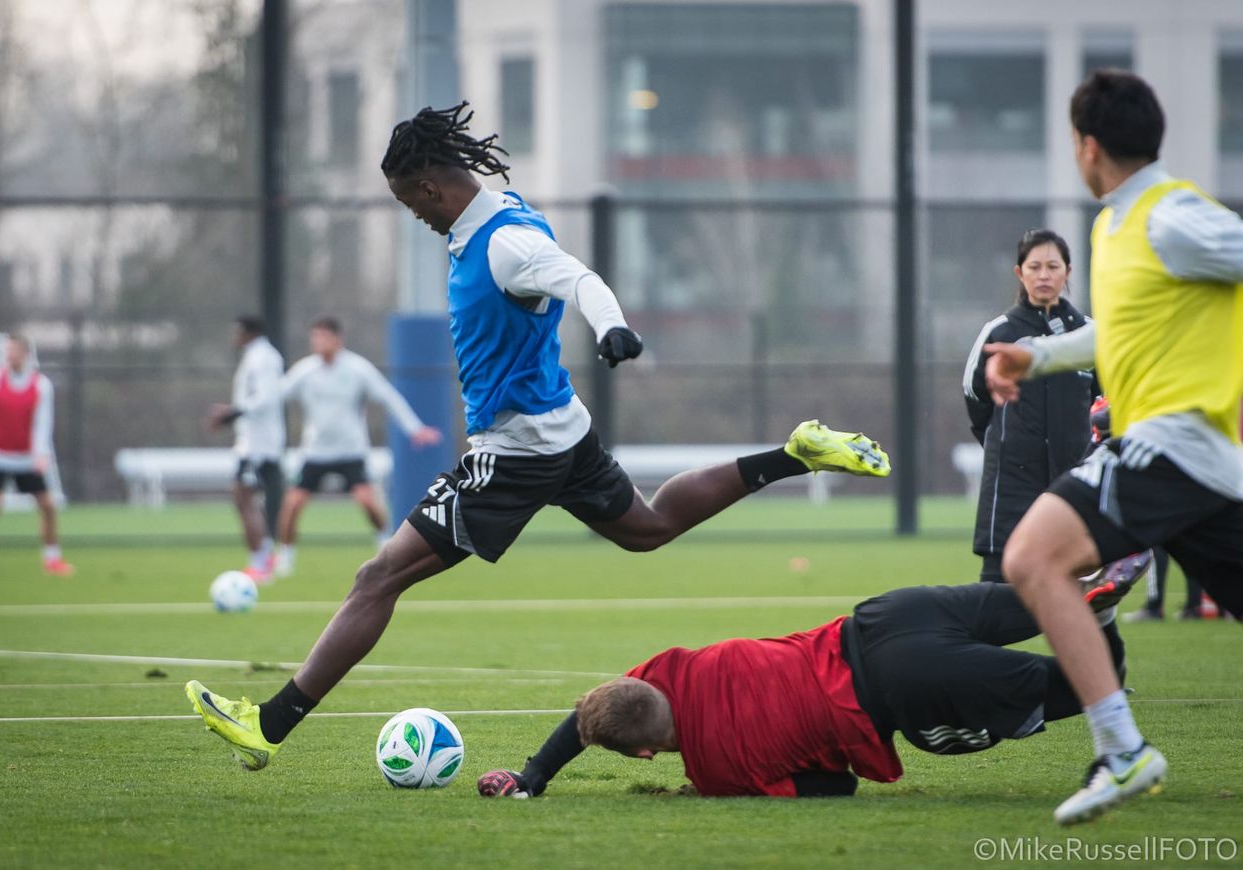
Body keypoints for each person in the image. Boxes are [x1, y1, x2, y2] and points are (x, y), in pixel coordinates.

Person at [185, 102, 891, 770]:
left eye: (410, 204)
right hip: (563, 432)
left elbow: (578, 279)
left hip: (515, 452)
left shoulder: (506, 242)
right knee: (647, 526)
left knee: (378, 577)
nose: (415, 217)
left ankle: (267, 726)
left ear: (429, 188)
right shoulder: (501, 216)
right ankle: (793, 453)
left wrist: (611, 325)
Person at [983, 70, 1243, 824]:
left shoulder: (1173, 217)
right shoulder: (1113, 225)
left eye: (1072, 140)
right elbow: (1122, 332)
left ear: (1088, 146)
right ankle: (1122, 750)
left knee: (1033, 557)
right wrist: (1039, 357)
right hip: (1199, 471)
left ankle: (1122, 751)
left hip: (1173, 447)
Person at [476, 554, 1151, 800]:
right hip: (884, 615)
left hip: (905, 685)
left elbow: (838, 787)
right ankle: (1100, 586)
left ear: (648, 750)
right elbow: (592, 713)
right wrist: (532, 776)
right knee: (1050, 596)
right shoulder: (670, 669)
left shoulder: (716, 771)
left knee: (1093, 685)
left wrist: (709, 792)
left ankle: (1105, 620)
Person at [963, 228, 1097, 583]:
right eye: (1034, 266)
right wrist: (1004, 444)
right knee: (997, 582)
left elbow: (1103, 399)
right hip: (1011, 480)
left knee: (1082, 588)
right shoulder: (999, 332)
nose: (1044, 275)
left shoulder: (1089, 333)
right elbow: (975, 398)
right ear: (1019, 273)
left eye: (1053, 266)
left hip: (1075, 477)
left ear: (1068, 271)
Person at [272, 317, 442, 578]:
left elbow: (389, 397)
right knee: (293, 504)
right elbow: (274, 396)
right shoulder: (305, 370)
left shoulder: (357, 368)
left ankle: (385, 543)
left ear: (338, 340)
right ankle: (284, 558)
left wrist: (414, 428)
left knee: (367, 502)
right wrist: (238, 412)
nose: (318, 342)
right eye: (314, 337)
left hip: (351, 452)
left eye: (324, 336)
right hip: (314, 453)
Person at [0, 334, 73, 577]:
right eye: (7, 351)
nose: (9, 356)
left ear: (26, 354)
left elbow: (43, 423)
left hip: (25, 458)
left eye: (14, 351)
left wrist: (41, 454)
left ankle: (52, 559)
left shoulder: (41, 385)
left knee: (47, 506)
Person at [204, 316, 285, 583]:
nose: (233, 337)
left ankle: (261, 562)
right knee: (245, 498)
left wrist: (231, 413)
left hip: (259, 445)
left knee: (243, 496)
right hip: (251, 442)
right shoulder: (255, 356)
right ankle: (263, 557)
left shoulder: (264, 357)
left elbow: (265, 397)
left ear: (249, 332)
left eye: (236, 332)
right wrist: (233, 415)